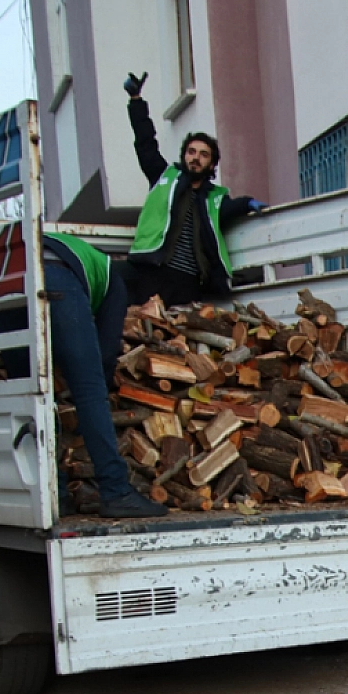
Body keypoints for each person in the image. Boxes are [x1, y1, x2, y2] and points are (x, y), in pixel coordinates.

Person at [43, 232, 167, 518]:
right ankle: (116, 491)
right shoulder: (114, 281)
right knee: (90, 390)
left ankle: (54, 494)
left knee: (32, 395)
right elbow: (106, 351)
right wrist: (104, 383)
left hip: (10, 277)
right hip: (55, 273)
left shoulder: (83, 255)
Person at [120, 70, 265, 308]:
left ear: (212, 163)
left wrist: (248, 202)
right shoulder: (164, 177)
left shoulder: (214, 199)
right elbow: (145, 143)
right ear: (184, 155)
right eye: (191, 152)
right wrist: (136, 102)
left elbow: (232, 207)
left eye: (203, 155)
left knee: (179, 338)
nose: (196, 158)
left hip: (188, 282)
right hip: (153, 271)